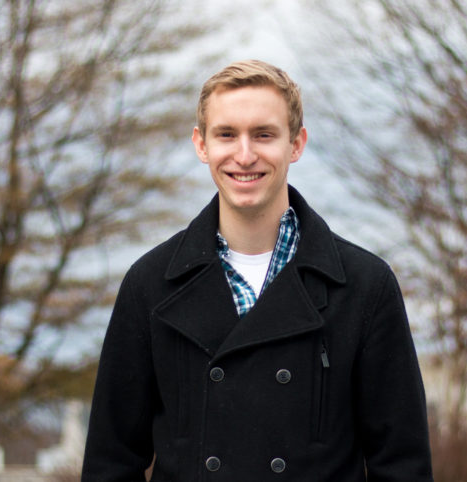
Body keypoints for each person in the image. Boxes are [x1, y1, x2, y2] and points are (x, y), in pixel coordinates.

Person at [82, 59, 433, 481]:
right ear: (201, 145)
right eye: (226, 134)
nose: (244, 155)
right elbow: (110, 463)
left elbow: (402, 467)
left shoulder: (365, 286)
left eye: (264, 135)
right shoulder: (149, 285)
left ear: (296, 144)